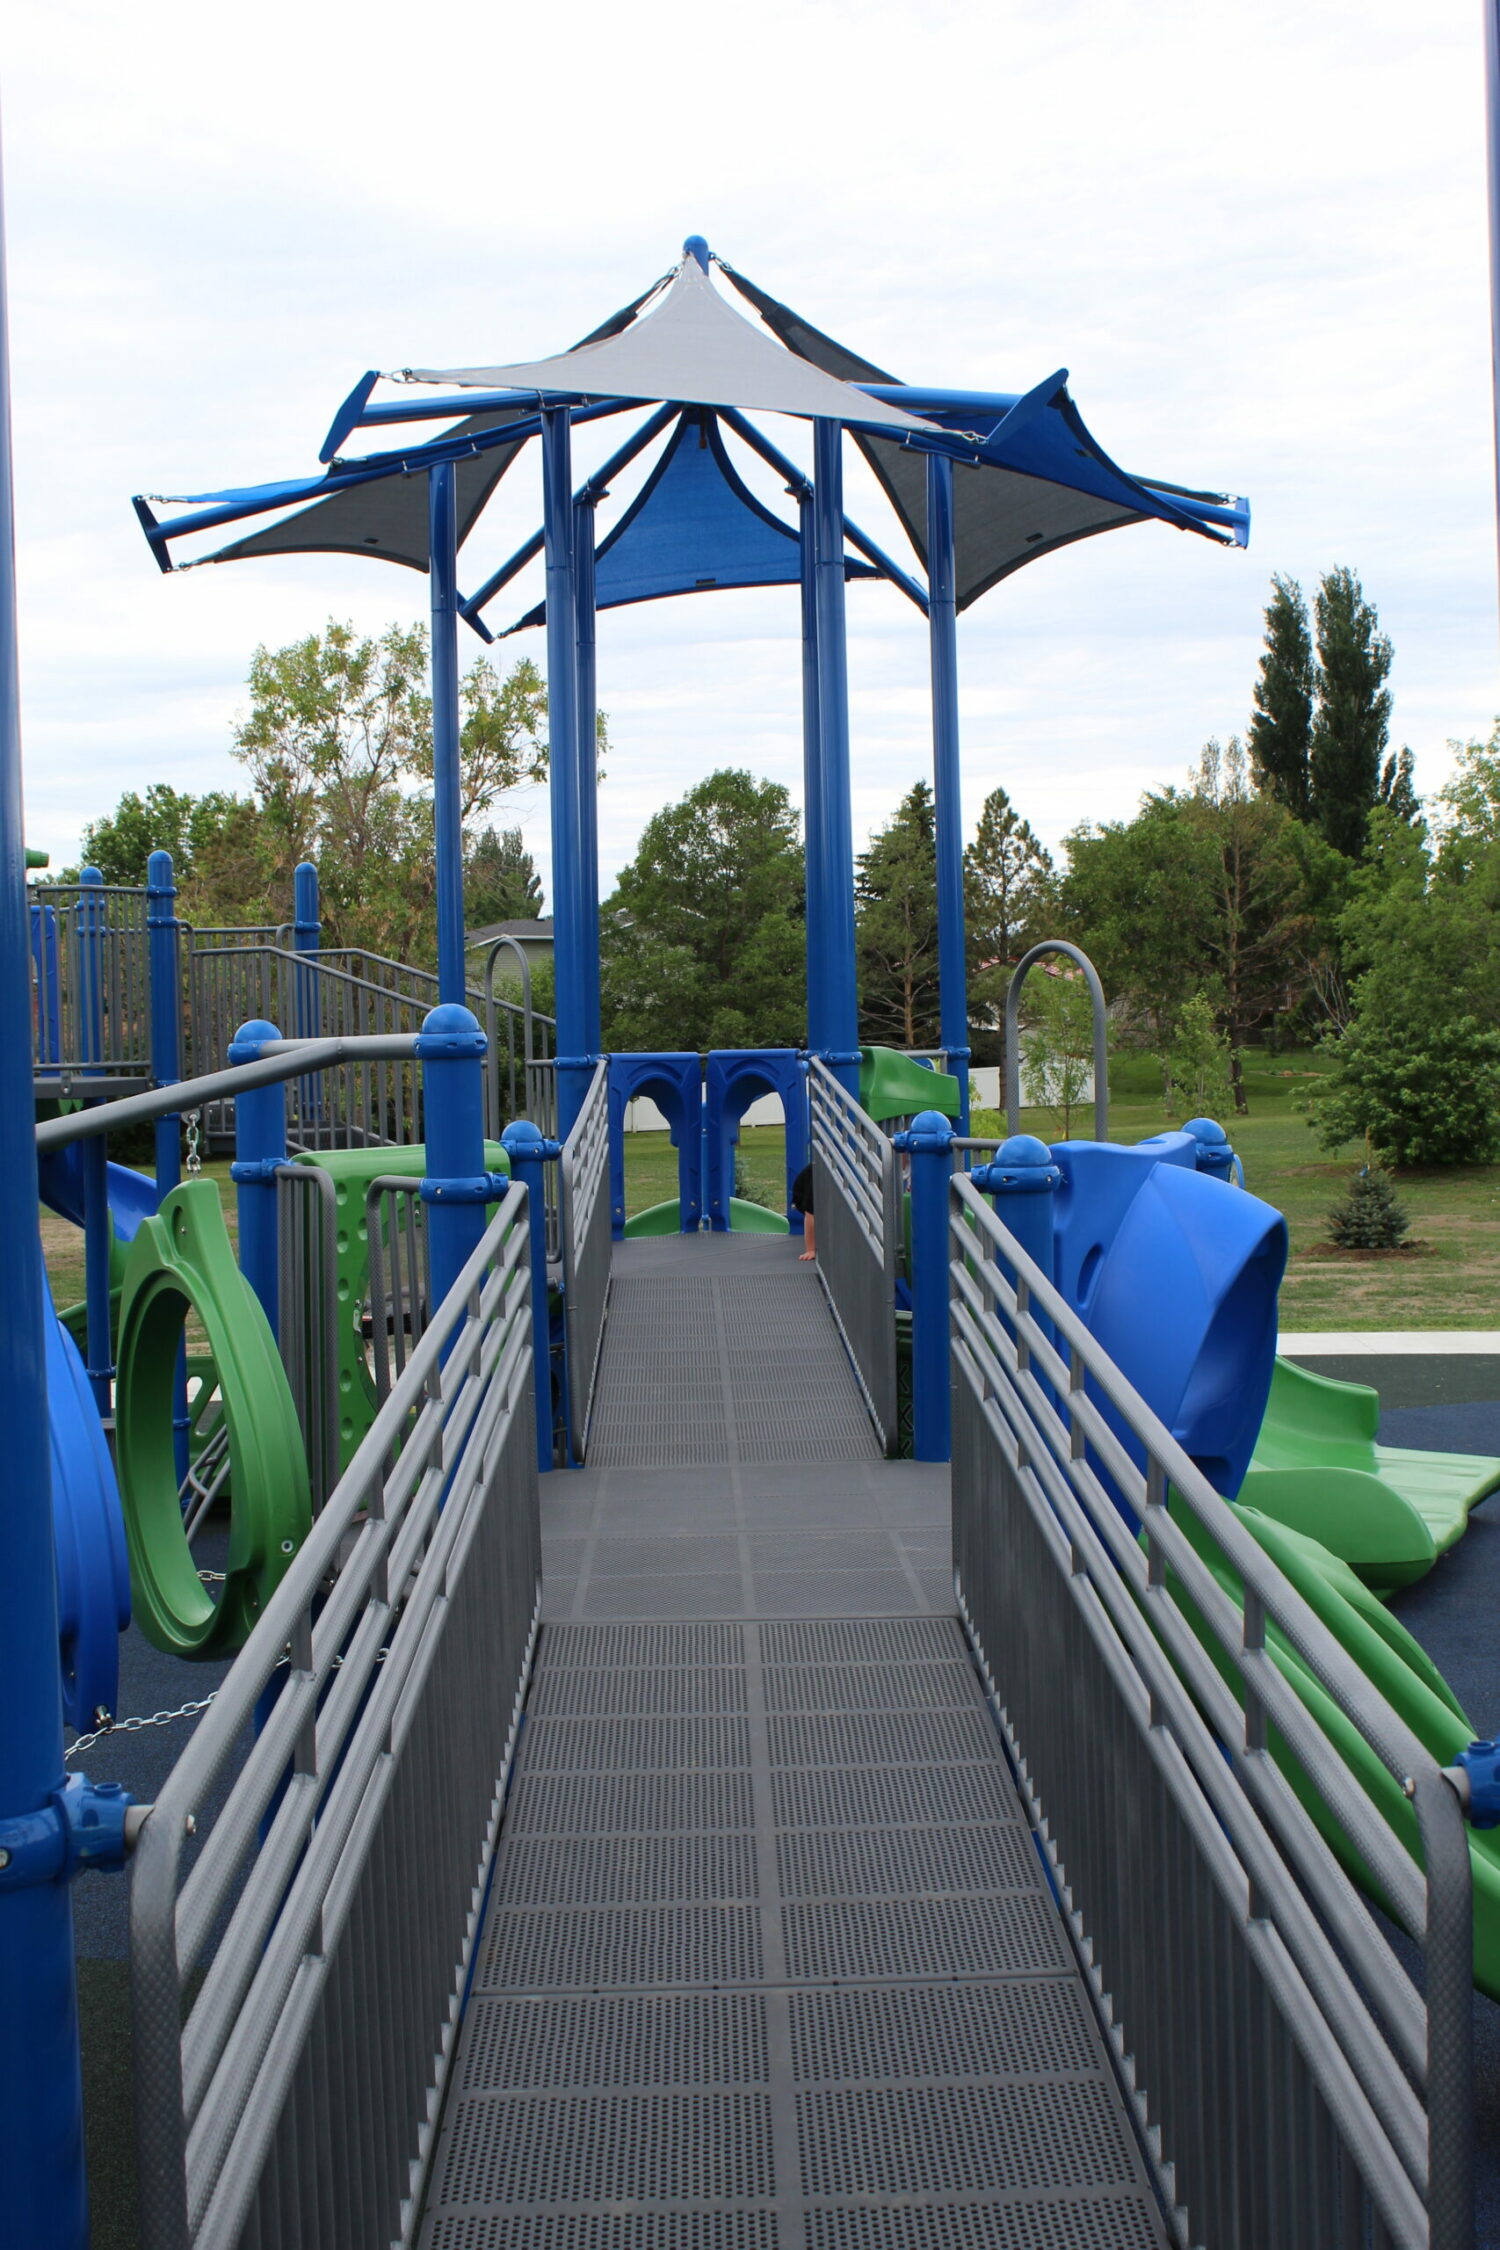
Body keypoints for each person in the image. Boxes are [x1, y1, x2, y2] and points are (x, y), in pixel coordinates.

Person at [791, 1162, 815, 1261]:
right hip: (801, 1198)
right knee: (812, 1209)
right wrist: (811, 1249)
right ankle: (811, 1247)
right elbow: (810, 1214)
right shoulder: (814, 1178)